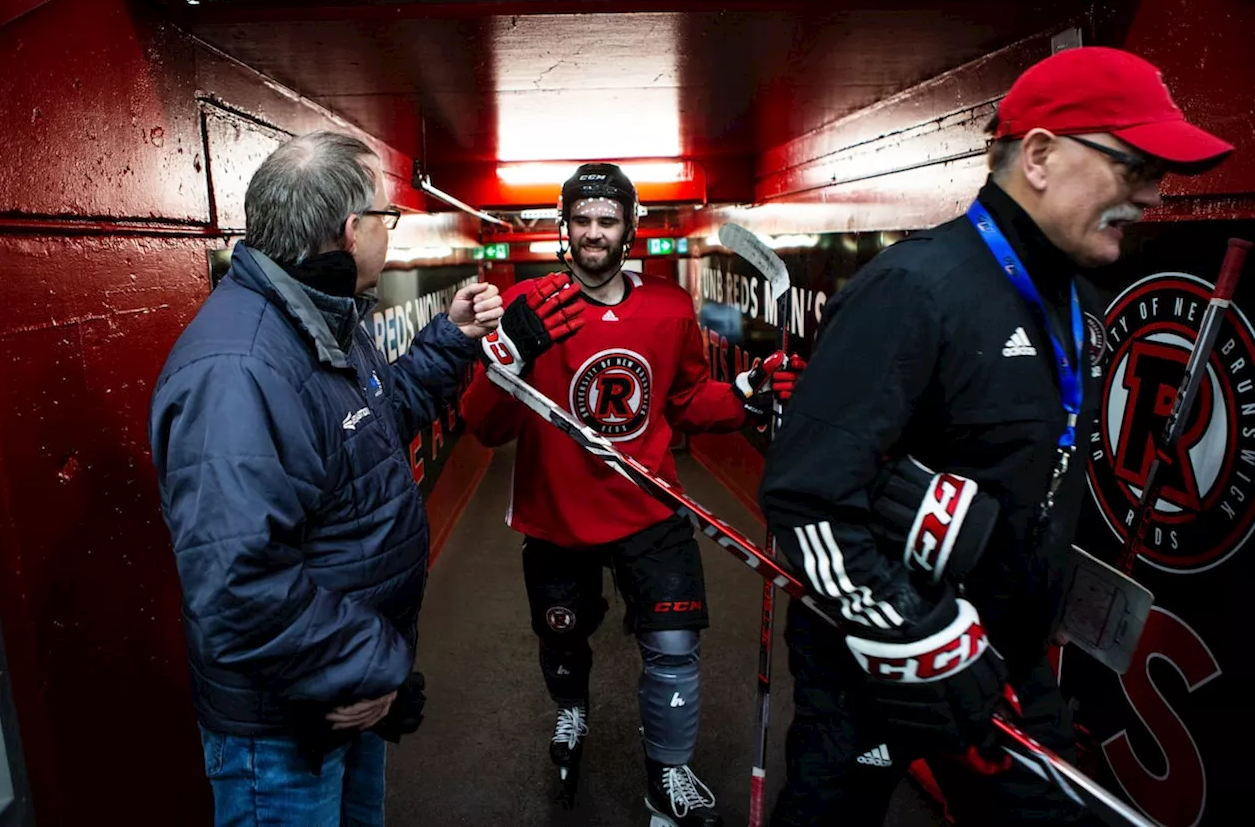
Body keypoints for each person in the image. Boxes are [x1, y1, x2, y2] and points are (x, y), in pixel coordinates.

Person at [758, 46, 1234, 826]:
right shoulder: (914, 289)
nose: (1150, 196)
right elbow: (805, 496)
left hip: (1008, 661)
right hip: (873, 663)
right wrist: (919, 636)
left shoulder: (1079, 296)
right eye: (1134, 166)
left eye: (1159, 176)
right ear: (1041, 155)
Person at [149, 130, 505, 827]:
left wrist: (449, 339)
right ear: (351, 231)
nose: (389, 234)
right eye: (387, 217)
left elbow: (373, 424)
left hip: (341, 695)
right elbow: (237, 586)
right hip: (284, 734)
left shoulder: (323, 319)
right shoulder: (239, 369)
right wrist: (378, 665)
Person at [460, 162, 804, 826]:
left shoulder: (670, 307)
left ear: (630, 228)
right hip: (557, 511)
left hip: (649, 502)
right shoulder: (530, 307)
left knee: (674, 646)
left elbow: (685, 402)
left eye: (607, 220)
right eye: (582, 220)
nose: (594, 233)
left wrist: (745, 394)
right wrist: (513, 355)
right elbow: (484, 424)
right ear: (564, 229)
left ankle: (667, 773)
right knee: (562, 634)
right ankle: (573, 706)